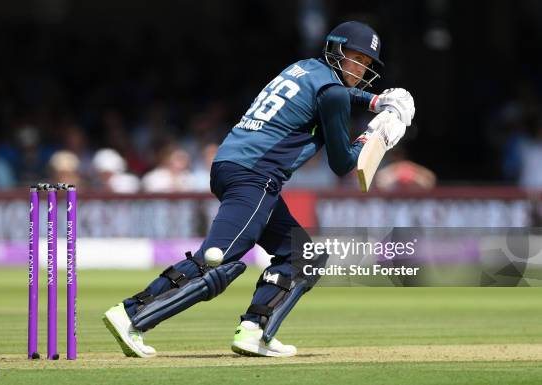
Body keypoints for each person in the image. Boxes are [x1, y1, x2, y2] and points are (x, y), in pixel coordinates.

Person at [103, 21, 415, 358]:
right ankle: (132, 314)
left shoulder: (303, 68)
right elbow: (343, 164)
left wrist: (376, 101)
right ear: (336, 50)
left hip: (232, 165)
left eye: (367, 64)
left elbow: (338, 93)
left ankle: (254, 331)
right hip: (255, 175)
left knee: (303, 257)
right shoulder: (333, 93)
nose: (361, 68)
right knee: (219, 260)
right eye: (356, 58)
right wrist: (378, 135)